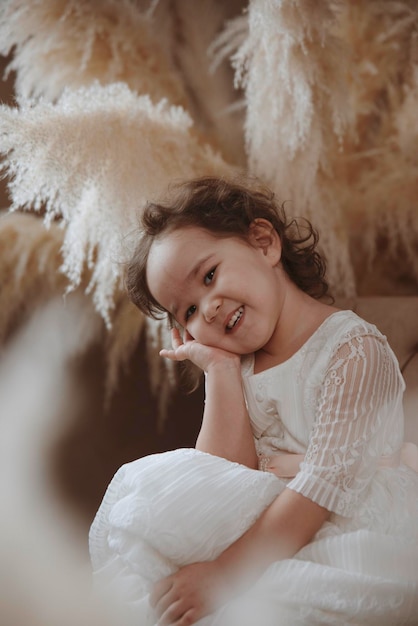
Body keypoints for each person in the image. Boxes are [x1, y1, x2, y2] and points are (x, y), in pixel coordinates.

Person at [89, 176, 418, 626]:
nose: (206, 308)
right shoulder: (238, 367)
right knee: (147, 565)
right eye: (187, 311)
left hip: (351, 525)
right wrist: (221, 371)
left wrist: (224, 574)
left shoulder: (354, 349)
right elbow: (218, 476)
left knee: (273, 604)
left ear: (264, 244)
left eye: (208, 276)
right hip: (266, 535)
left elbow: (321, 490)